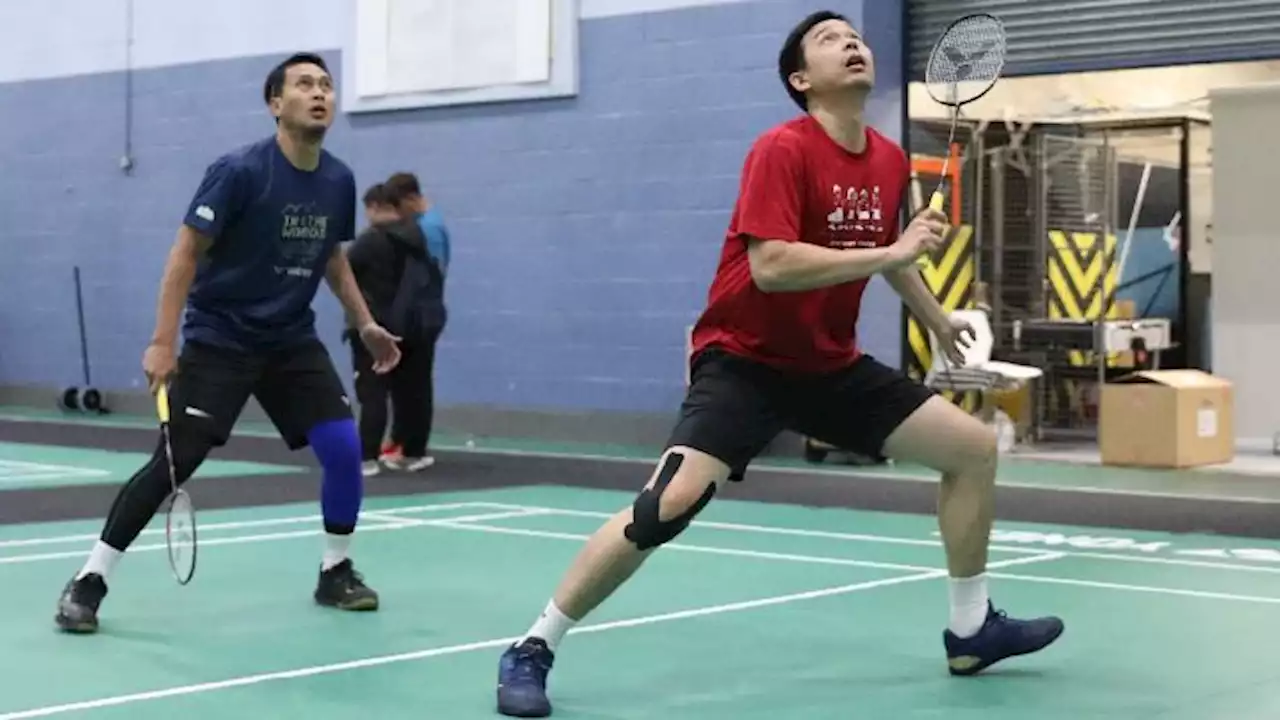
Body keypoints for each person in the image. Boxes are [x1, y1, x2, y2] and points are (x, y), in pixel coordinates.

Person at [492, 11, 1064, 717]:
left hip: (830, 366)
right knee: (666, 506)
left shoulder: (888, 158)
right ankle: (534, 645)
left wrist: (936, 318)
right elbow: (773, 266)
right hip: (745, 362)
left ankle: (972, 629)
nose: (852, 42)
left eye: (854, 35)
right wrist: (893, 253)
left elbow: (890, 251)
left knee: (972, 451)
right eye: (829, 40)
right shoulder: (781, 149)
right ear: (802, 79)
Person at [54, 52, 402, 634]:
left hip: (290, 339)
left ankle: (335, 572)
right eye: (304, 85)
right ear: (276, 104)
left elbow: (332, 258)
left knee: (343, 448)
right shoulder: (240, 171)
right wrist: (163, 342)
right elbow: (184, 255)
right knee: (176, 461)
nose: (319, 93)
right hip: (222, 337)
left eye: (327, 85)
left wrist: (364, 322)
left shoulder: (339, 180)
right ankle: (90, 579)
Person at [346, 182, 442, 476]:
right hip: (411, 327)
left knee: (372, 392)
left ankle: (366, 456)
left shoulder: (368, 242)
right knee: (414, 390)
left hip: (373, 326)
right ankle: (412, 451)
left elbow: (342, 273)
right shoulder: (418, 238)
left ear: (375, 207)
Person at [374, 171, 450, 471]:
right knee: (405, 382)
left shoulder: (428, 229)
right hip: (416, 314)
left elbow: (422, 276)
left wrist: (381, 224)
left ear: (410, 200)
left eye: (399, 208)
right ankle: (402, 439)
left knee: (416, 383)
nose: (397, 216)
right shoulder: (422, 224)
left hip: (423, 314)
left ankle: (415, 448)